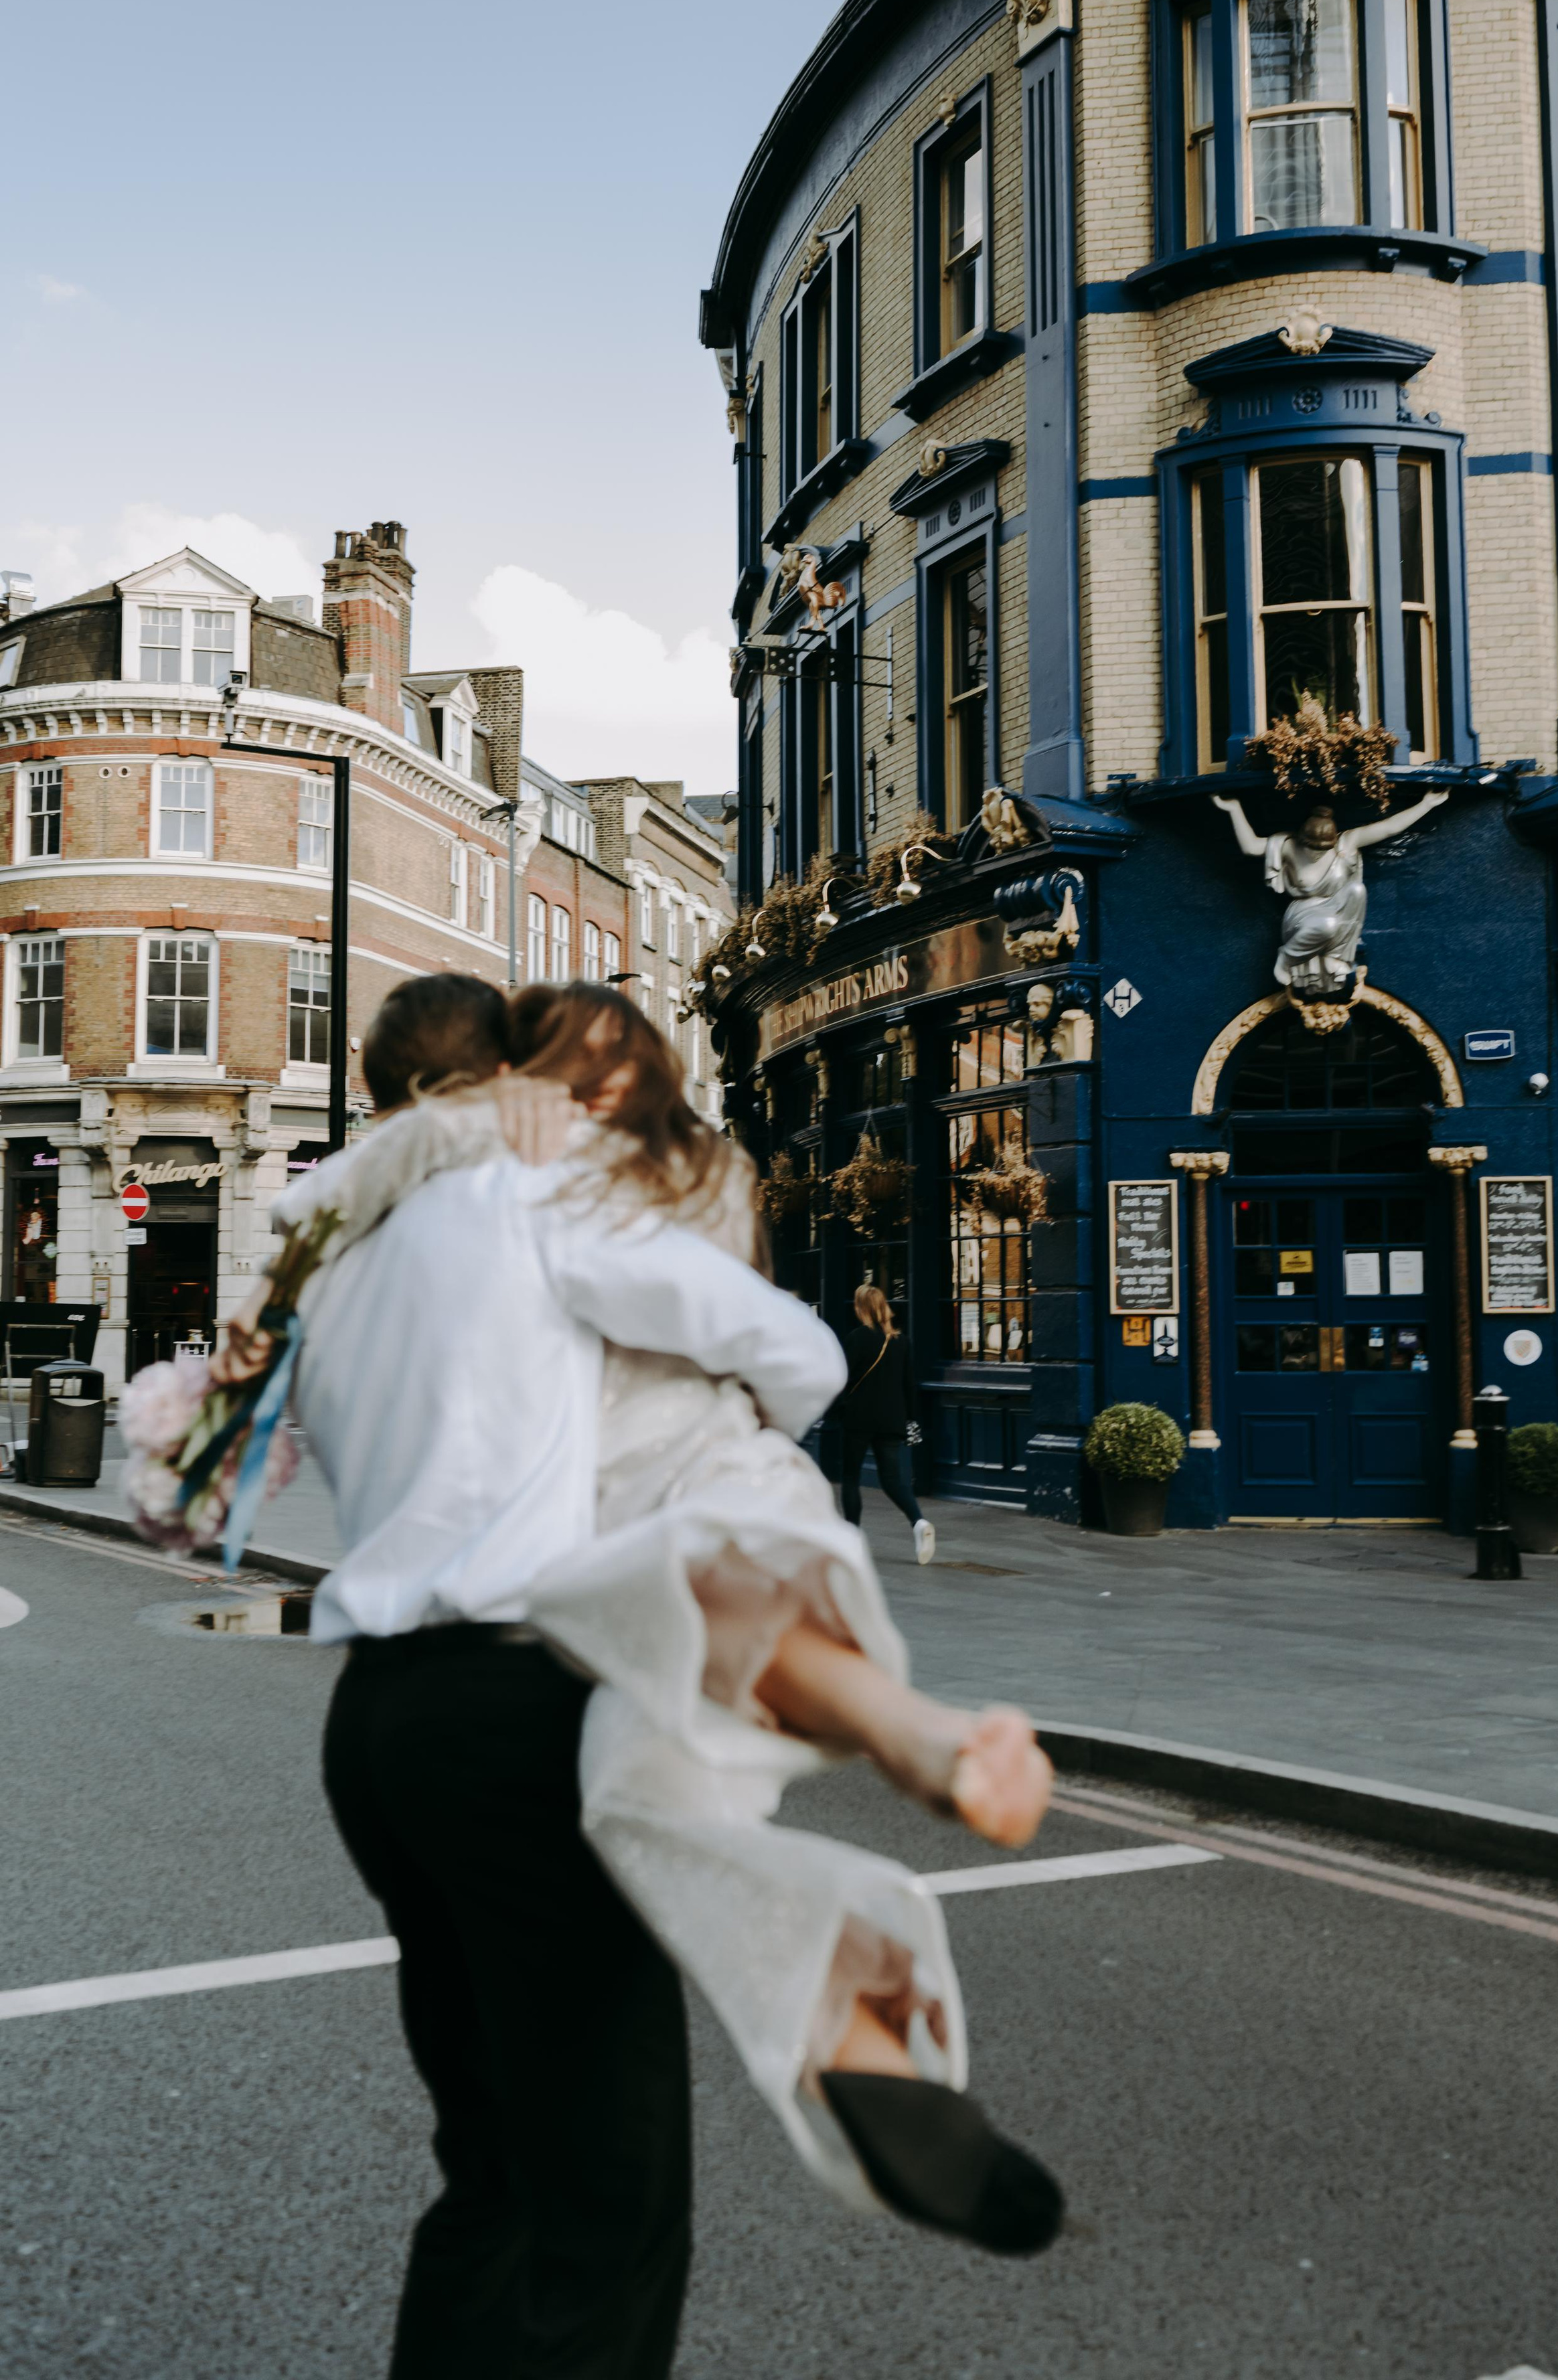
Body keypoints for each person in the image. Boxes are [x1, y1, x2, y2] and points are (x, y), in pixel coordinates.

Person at [264, 977, 1060, 2377]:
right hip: (528, 1686)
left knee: (492, 2171)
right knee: (607, 2207)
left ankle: (858, 1989)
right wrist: (747, 1397)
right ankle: (885, 1881)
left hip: (379, 1724)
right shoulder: (542, 1199)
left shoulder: (339, 1261)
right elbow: (796, 1346)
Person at [833, 1281, 933, 1564]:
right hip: (892, 1419)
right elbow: (908, 1385)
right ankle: (919, 1523)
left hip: (858, 1419)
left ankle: (852, 1539)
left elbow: (842, 1379)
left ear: (861, 1308)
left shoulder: (856, 1338)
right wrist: (911, 1419)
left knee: (851, 1478)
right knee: (892, 1479)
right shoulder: (901, 1341)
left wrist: (835, 1410)